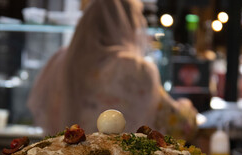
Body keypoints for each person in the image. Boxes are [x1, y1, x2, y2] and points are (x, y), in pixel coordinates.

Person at [28, 0, 197, 141]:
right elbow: (177, 125)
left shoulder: (60, 60)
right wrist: (187, 107)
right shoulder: (135, 68)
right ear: (127, 24)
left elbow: (41, 111)